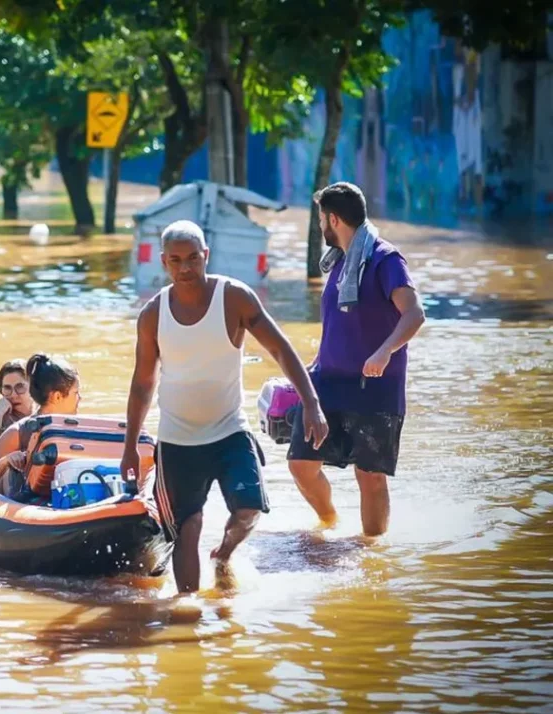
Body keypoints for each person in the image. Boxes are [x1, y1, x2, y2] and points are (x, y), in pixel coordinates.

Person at [121, 220, 329, 593]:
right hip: (177, 441)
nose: (186, 268)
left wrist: (311, 403)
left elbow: (280, 349)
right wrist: (130, 447)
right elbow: (142, 383)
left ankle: (224, 555)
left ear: (206, 256)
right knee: (188, 527)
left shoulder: (233, 298)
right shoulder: (153, 315)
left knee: (249, 509)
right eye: (176, 261)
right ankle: (188, 611)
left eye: (193, 259)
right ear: (164, 263)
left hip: (230, 431)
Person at [288, 182, 425, 537]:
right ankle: (329, 521)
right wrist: (312, 366)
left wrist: (385, 351)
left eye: (321, 220)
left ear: (333, 219)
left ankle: (371, 554)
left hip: (375, 386)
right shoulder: (339, 262)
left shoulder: (385, 259)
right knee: (301, 464)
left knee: (370, 476)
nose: (320, 227)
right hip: (329, 383)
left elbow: (414, 315)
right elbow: (341, 325)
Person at [0, 354, 80, 497]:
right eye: (76, 393)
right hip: (21, 504)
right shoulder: (18, 432)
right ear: (57, 397)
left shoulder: (77, 427)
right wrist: (6, 461)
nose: (80, 398)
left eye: (20, 387)